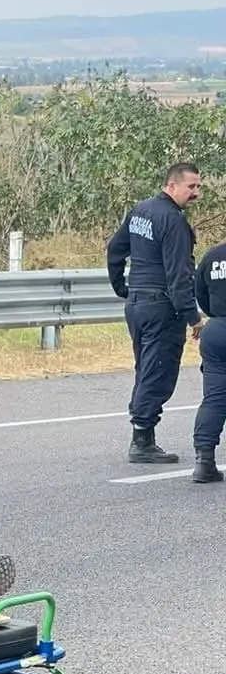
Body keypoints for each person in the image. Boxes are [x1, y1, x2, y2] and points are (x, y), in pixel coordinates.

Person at [106, 162, 202, 465]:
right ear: (171, 186)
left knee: (145, 368)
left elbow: (114, 249)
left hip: (137, 304)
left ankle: (142, 431)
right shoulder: (172, 220)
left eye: (199, 187)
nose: (196, 193)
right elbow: (178, 275)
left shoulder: (140, 211)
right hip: (162, 307)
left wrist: (123, 287)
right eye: (191, 187)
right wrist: (193, 316)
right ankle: (142, 440)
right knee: (157, 371)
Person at [190, 236, 226, 484]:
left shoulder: (213, 256)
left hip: (217, 331)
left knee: (214, 399)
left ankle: (204, 461)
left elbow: (200, 293)